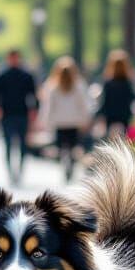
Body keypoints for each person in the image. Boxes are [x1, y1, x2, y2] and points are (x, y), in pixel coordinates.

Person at [36, 55, 92, 185]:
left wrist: (45, 121)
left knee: (62, 146)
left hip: (59, 122)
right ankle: (70, 163)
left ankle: (65, 160)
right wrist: (86, 119)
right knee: (72, 145)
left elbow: (48, 106)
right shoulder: (79, 85)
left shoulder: (52, 85)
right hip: (74, 121)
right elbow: (84, 104)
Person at [0, 48, 39, 185]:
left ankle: (19, 170)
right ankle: (10, 171)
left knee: (22, 145)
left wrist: (34, 110)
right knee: (8, 144)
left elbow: (33, 95)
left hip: (22, 114)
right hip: (7, 115)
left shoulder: (26, 76)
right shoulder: (2, 76)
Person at [96, 49, 135, 137]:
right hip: (124, 115)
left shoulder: (108, 83)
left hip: (110, 116)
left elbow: (105, 101)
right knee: (125, 139)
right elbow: (132, 98)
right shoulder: (128, 83)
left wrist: (99, 114)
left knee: (110, 140)